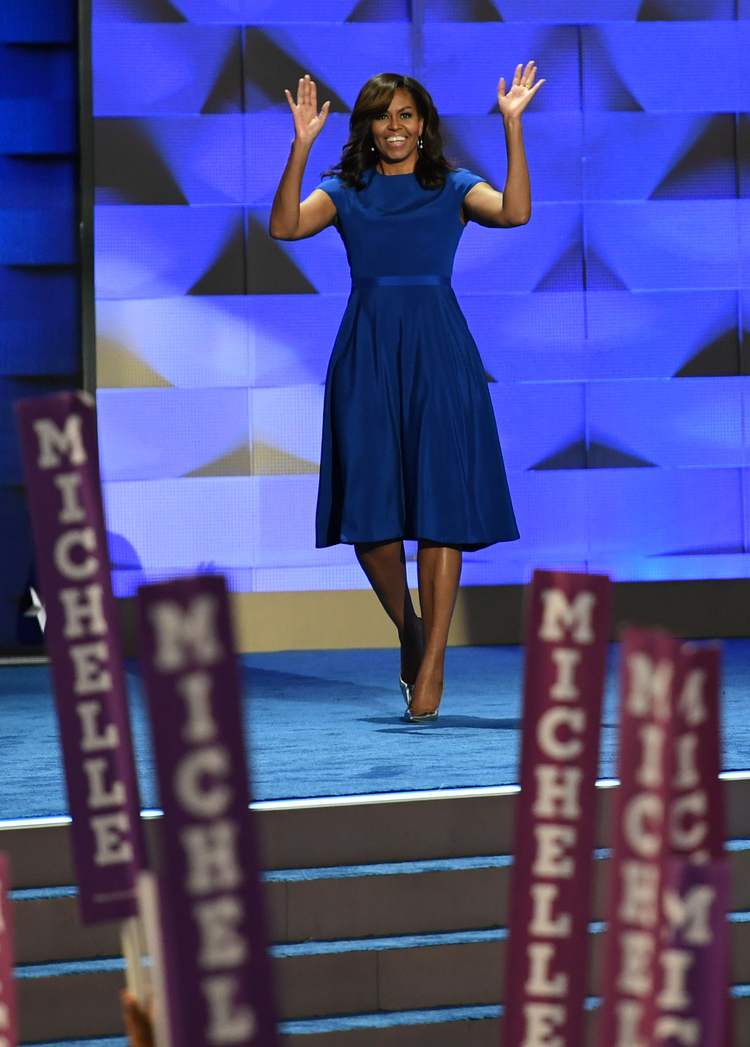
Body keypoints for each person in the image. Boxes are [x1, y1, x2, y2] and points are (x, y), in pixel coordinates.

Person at [270, 66, 543, 722]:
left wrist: (512, 125)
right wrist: (302, 145)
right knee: (371, 518)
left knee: (439, 510)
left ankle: (435, 661)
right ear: (365, 127)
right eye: (382, 116)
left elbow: (514, 211)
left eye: (406, 115)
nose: (394, 127)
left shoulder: (450, 186)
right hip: (367, 353)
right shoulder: (346, 189)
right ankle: (410, 628)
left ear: (424, 125)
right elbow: (284, 227)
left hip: (438, 353)